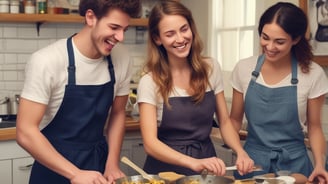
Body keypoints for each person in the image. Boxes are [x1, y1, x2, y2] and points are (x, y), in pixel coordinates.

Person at [15, 1, 141, 184]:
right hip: (53, 167)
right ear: (90, 17)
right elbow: (25, 131)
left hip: (98, 164)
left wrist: (112, 163)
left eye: (125, 29)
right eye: (114, 27)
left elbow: (118, 113)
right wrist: (75, 173)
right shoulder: (47, 60)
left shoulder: (121, 57)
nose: (120, 37)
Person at [137, 0, 254, 176]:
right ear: (157, 38)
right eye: (170, 34)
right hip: (164, 172)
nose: (180, 39)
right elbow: (150, 144)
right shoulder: (150, 81)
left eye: (184, 29)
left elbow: (224, 121)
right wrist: (193, 163)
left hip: (206, 167)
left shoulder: (211, 68)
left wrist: (240, 151)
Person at [230, 2, 328, 182]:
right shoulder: (244, 68)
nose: (270, 46)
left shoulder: (313, 74)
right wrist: (239, 152)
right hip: (252, 162)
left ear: (296, 39)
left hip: (295, 165)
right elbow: (234, 121)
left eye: (279, 41)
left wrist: (320, 164)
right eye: (265, 37)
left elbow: (314, 127)